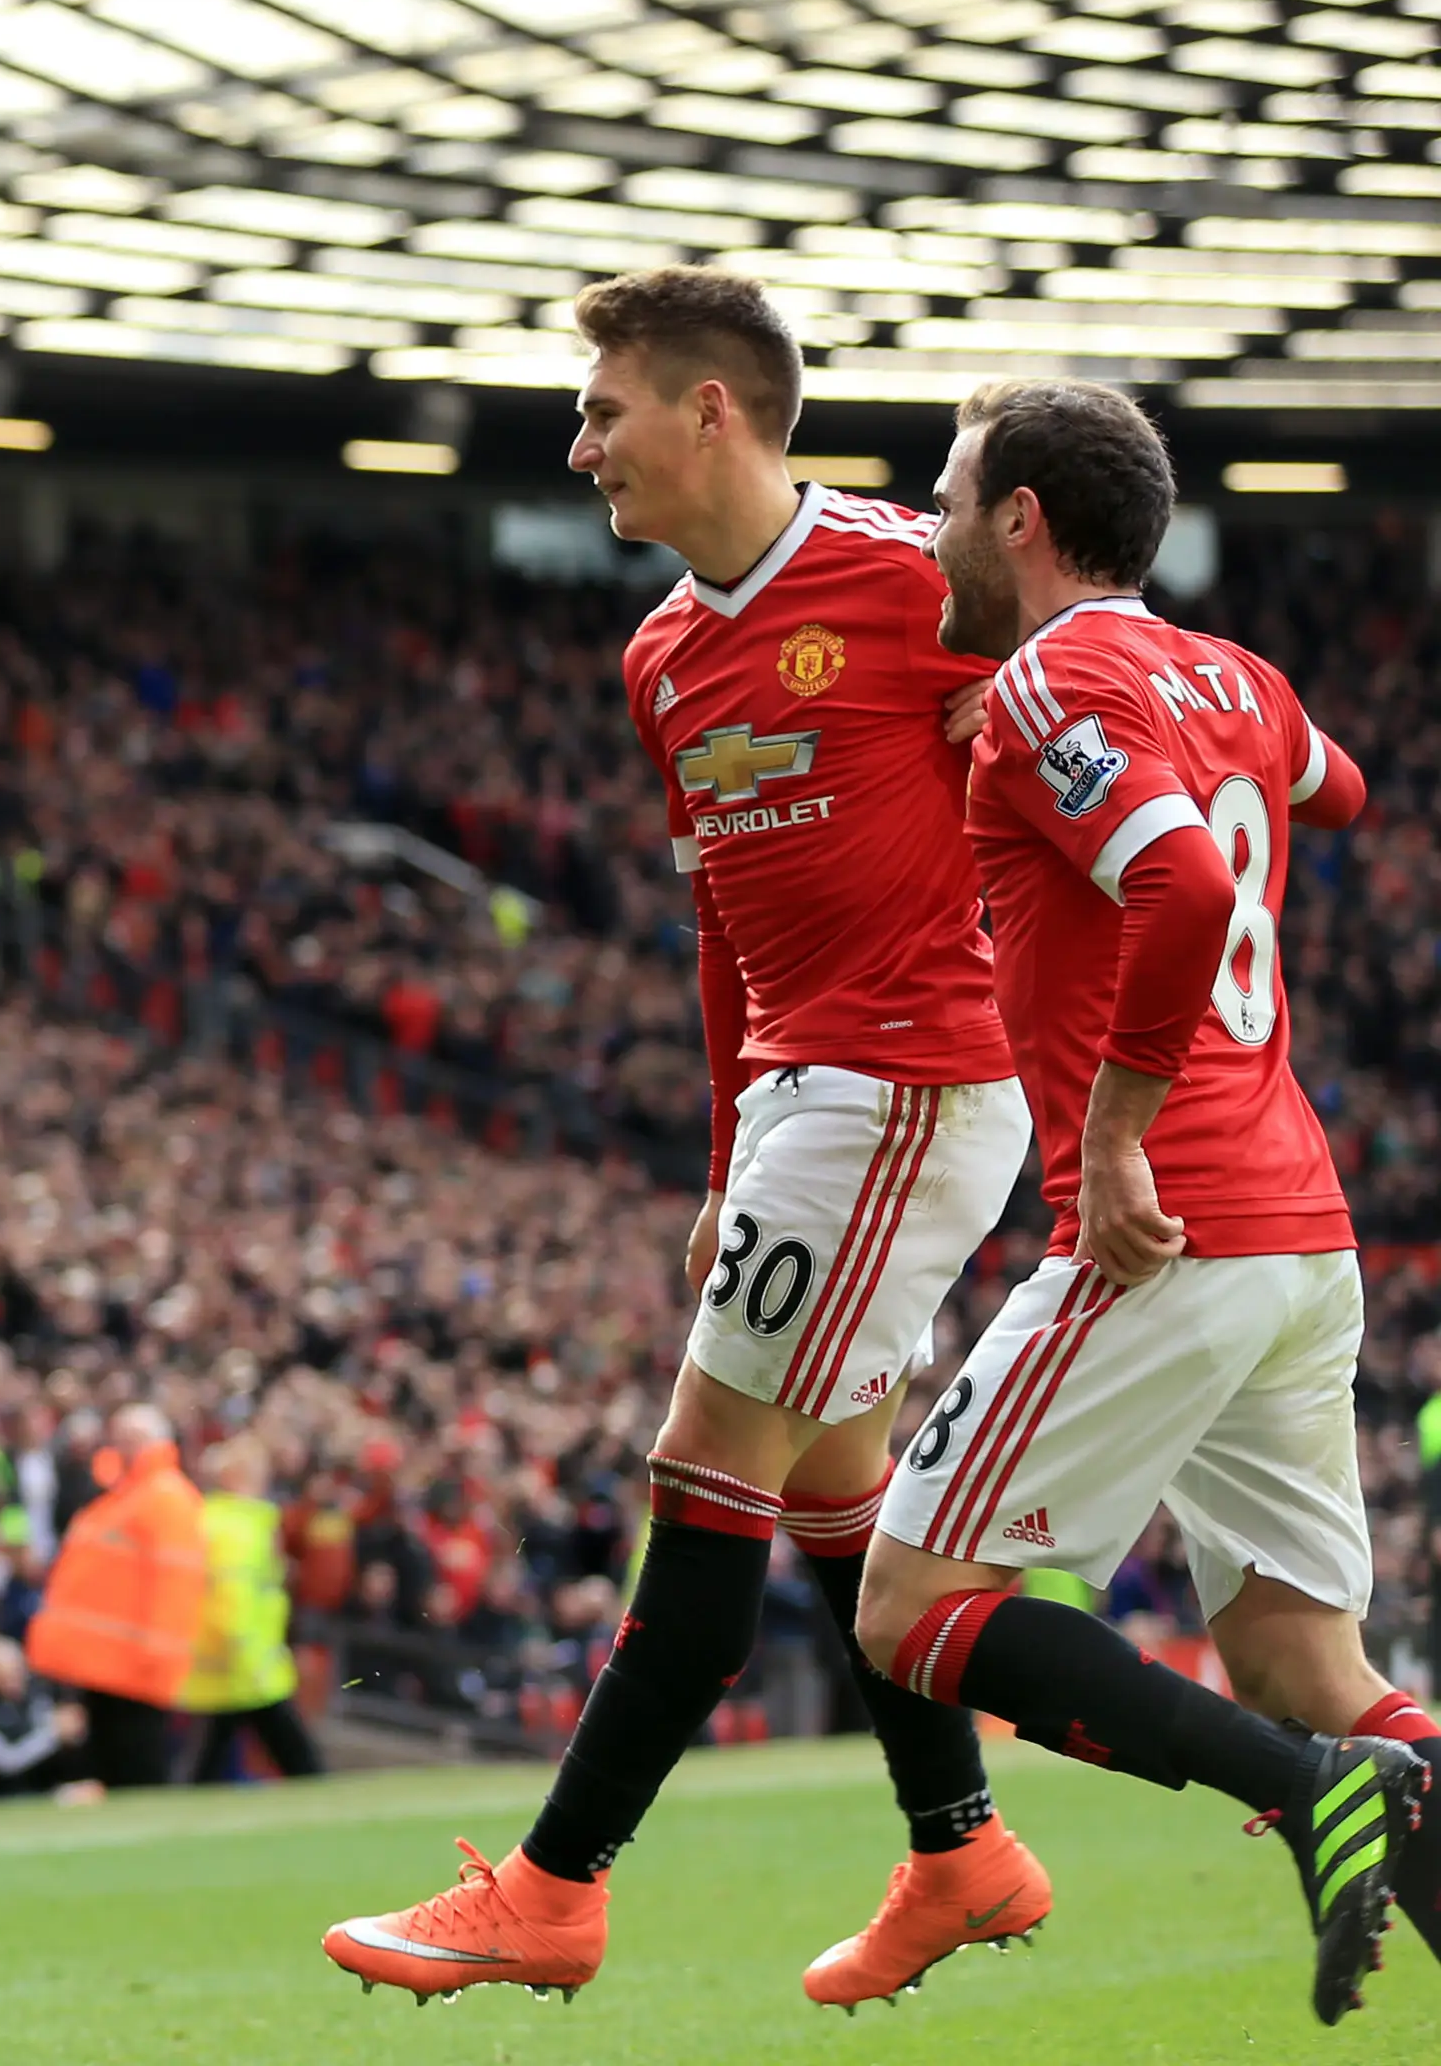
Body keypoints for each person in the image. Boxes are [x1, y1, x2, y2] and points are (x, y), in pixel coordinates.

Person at [331, 268, 1045, 2009]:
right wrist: (728, 1156)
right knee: (828, 1499)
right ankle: (959, 1846)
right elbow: (719, 928)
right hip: (804, 1101)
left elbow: (1108, 671)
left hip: (908, 1076)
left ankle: (555, 1888)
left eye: (603, 412)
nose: (581, 448)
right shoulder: (660, 653)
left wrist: (1018, 712)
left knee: (700, 1474)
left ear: (710, 407)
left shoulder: (913, 577)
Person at [847, 379, 1423, 2027]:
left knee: (912, 1606)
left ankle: (1310, 1793)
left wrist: (1111, 1137)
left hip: (1174, 1228)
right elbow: (1340, 791)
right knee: (1319, 1670)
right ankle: (1343, 1772)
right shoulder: (1233, 675)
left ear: (1021, 516)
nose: (937, 527)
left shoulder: (1049, 674)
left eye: (952, 497)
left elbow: (1179, 880)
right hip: (1303, 1234)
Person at [26, 1405, 204, 1791]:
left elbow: (175, 1580)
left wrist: (159, 1651)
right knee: (110, 1768)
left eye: (132, 1437)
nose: (121, 1445)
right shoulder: (121, 1496)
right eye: (119, 1435)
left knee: (138, 1768)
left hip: (135, 1661)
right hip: (105, 1662)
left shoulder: (164, 1497)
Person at [180, 1441, 318, 1785]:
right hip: (247, 1664)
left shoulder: (218, 1521)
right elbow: (232, 1596)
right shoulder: (238, 1528)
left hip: (233, 1663)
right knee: (298, 1758)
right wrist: (240, 1649)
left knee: (211, 1758)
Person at [0, 1637, 82, 1800]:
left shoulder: (39, 1693)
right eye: (1, 1675)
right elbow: (4, 1762)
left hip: (38, 1789)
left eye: (16, 1671)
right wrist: (52, 1734)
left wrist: (74, 1731)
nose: (13, 1681)